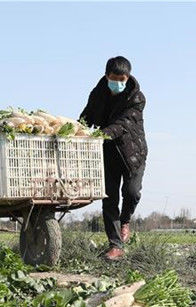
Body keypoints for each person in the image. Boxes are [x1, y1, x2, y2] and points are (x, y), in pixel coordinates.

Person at [80, 56, 148, 260]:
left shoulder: (136, 98)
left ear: (127, 78)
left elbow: (124, 124)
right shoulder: (98, 93)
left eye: (122, 79)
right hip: (107, 153)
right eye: (114, 78)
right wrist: (76, 130)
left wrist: (102, 134)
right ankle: (116, 245)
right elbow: (87, 117)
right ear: (107, 75)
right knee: (109, 199)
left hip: (132, 153)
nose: (118, 83)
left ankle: (125, 220)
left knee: (132, 192)